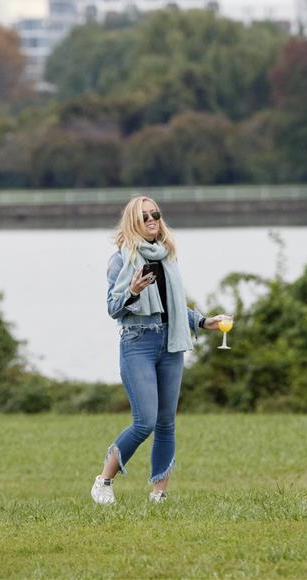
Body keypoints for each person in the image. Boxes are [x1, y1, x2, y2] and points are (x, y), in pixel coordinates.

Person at [91, 195, 232, 505]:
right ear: (133, 222)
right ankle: (103, 481)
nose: (152, 219)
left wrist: (205, 321)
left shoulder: (168, 256)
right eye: (145, 216)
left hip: (171, 343)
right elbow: (113, 308)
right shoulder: (121, 259)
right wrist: (133, 290)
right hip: (137, 342)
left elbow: (175, 307)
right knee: (145, 422)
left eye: (156, 213)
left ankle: (159, 494)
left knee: (167, 422)